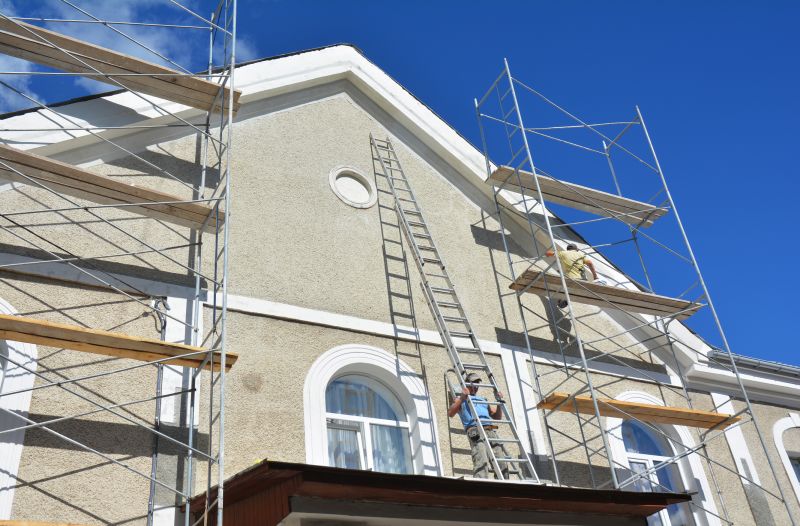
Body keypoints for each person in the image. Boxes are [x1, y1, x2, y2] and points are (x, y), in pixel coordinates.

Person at [447, 372, 511, 479]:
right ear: (467, 384)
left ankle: (503, 486)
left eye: (477, 384)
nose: (476, 386)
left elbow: (497, 416)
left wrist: (499, 402)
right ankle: (481, 486)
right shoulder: (461, 399)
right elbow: (451, 413)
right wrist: (462, 398)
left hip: (490, 429)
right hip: (475, 429)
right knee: (482, 460)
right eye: (473, 383)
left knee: (500, 461)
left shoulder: (482, 399)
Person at [545, 244, 599, 308]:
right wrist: (595, 276)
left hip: (571, 280)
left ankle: (562, 299)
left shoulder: (563, 253)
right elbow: (590, 263)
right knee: (574, 290)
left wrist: (548, 254)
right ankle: (563, 299)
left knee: (565, 288)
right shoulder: (580, 254)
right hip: (583, 280)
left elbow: (548, 253)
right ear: (576, 249)